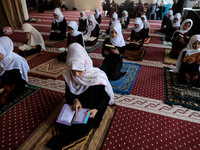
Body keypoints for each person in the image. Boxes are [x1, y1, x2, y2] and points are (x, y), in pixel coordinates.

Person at [50, 43, 114, 149]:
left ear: (86, 65)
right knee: (60, 123)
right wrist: (75, 100)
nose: (76, 75)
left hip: (93, 106)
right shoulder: (68, 74)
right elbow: (68, 94)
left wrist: (96, 109)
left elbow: (104, 98)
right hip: (77, 105)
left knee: (83, 128)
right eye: (73, 71)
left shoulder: (97, 77)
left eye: (79, 71)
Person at [0, 36, 30, 105]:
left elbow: (16, 79)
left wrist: (2, 89)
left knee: (2, 99)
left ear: (5, 50)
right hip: (6, 79)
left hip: (16, 82)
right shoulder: (3, 59)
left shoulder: (17, 61)